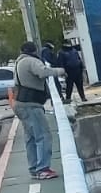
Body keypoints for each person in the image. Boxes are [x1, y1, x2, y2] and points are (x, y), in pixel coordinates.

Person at [11, 41, 63, 180]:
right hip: (31, 105)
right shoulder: (31, 61)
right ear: (34, 51)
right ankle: (42, 169)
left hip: (20, 103)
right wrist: (60, 71)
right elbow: (43, 72)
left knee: (31, 138)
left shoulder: (19, 62)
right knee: (43, 136)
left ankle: (34, 168)